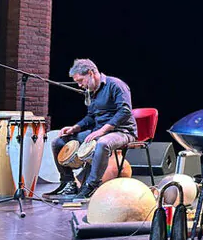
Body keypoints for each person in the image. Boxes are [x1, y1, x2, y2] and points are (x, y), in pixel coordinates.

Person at [43, 59, 137, 201]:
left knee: (103, 143)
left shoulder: (116, 85)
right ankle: (68, 183)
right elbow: (91, 116)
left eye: (81, 81)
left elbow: (125, 111)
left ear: (91, 73)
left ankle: (92, 185)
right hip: (99, 130)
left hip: (122, 131)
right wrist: (75, 128)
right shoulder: (91, 91)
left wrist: (103, 131)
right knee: (59, 142)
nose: (80, 85)